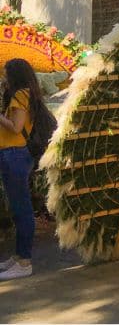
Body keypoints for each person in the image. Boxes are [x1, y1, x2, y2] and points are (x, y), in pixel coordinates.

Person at [0, 59, 45, 280]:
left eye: (6, 74)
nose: (4, 77)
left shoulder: (21, 95)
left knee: (22, 209)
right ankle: (18, 257)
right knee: (19, 208)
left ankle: (24, 261)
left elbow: (16, 128)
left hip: (16, 155)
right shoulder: (25, 94)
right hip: (14, 154)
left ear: (14, 75)